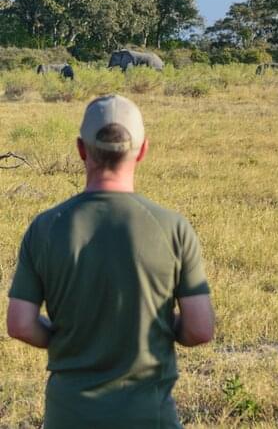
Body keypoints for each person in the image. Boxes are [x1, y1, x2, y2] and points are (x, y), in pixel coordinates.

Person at [6, 94, 214, 429]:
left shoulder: (46, 227)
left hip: (68, 414)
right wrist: (160, 323)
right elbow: (200, 329)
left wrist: (65, 337)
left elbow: (19, 324)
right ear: (143, 150)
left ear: (81, 149)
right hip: (148, 415)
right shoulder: (173, 228)